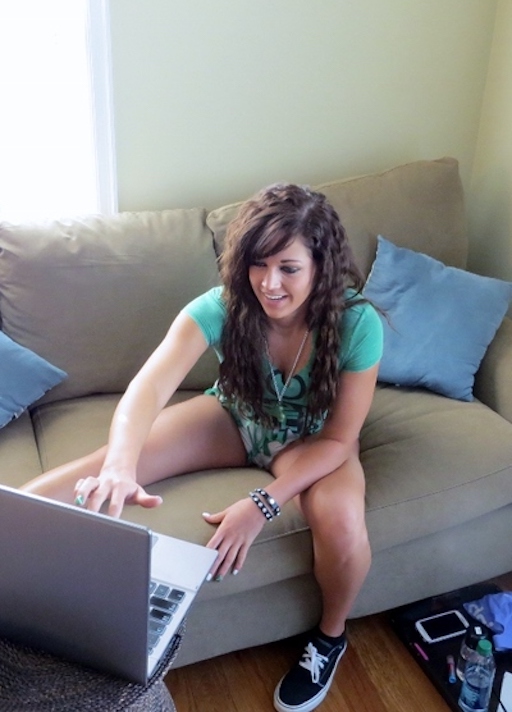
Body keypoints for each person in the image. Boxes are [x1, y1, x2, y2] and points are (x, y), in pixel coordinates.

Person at [22, 183, 383, 712]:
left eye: (288, 268)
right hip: (236, 417)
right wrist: (121, 466)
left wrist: (262, 504)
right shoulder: (223, 306)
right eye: (259, 264)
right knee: (98, 470)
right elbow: (148, 389)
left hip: (313, 440)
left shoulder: (357, 323)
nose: (270, 283)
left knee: (343, 522)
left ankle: (330, 639)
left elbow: (340, 439)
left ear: (321, 266)